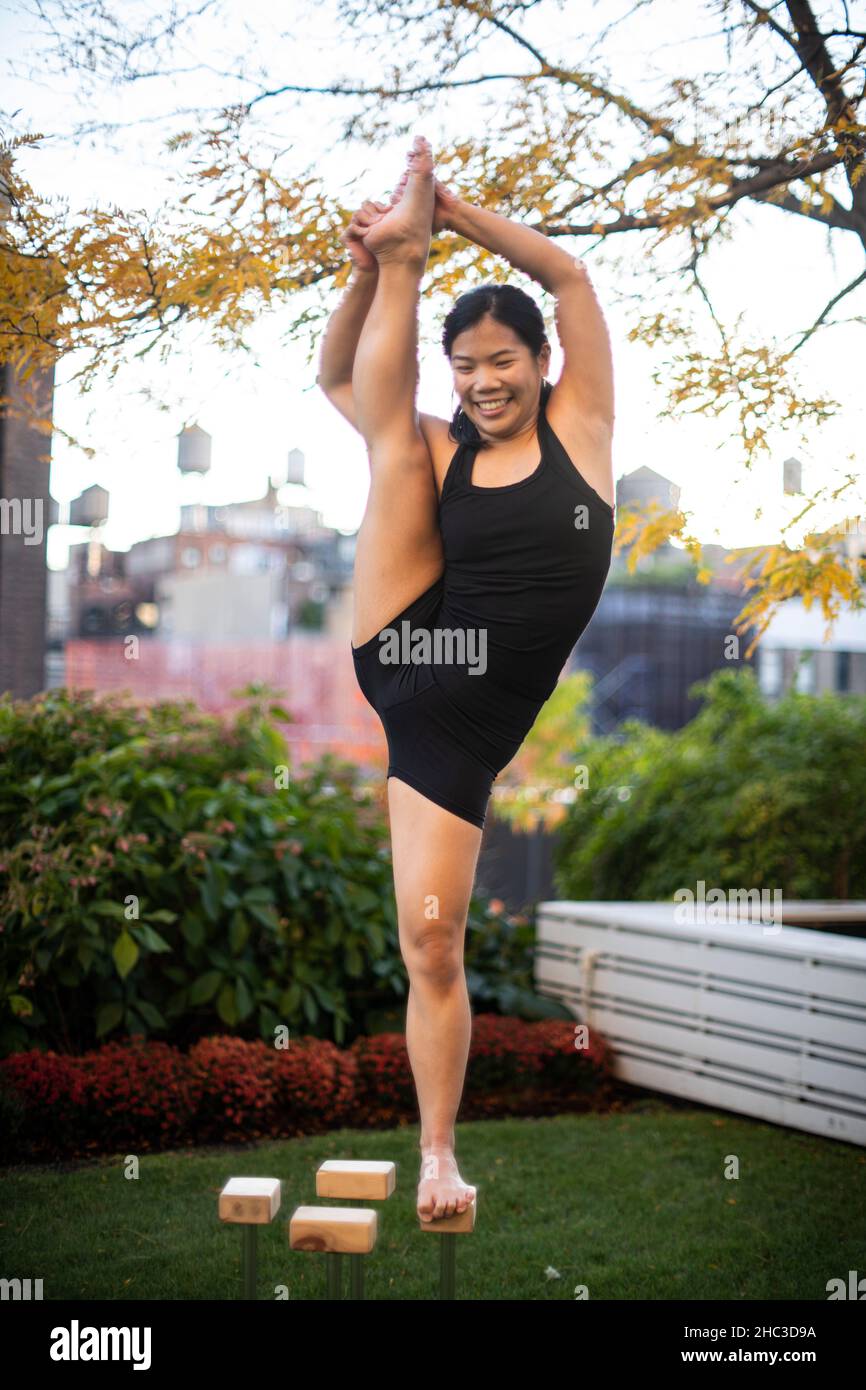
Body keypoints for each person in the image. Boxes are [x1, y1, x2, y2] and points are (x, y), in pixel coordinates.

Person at [317, 135, 615, 1223]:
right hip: (405, 654)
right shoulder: (443, 446)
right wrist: (374, 267)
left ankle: (440, 1155)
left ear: (538, 363)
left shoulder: (582, 430)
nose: (483, 382)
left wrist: (452, 208)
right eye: (466, 367)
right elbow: (334, 378)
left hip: (467, 724)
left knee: (433, 936)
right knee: (393, 443)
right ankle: (434, 1154)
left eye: (501, 361)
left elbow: (569, 276)